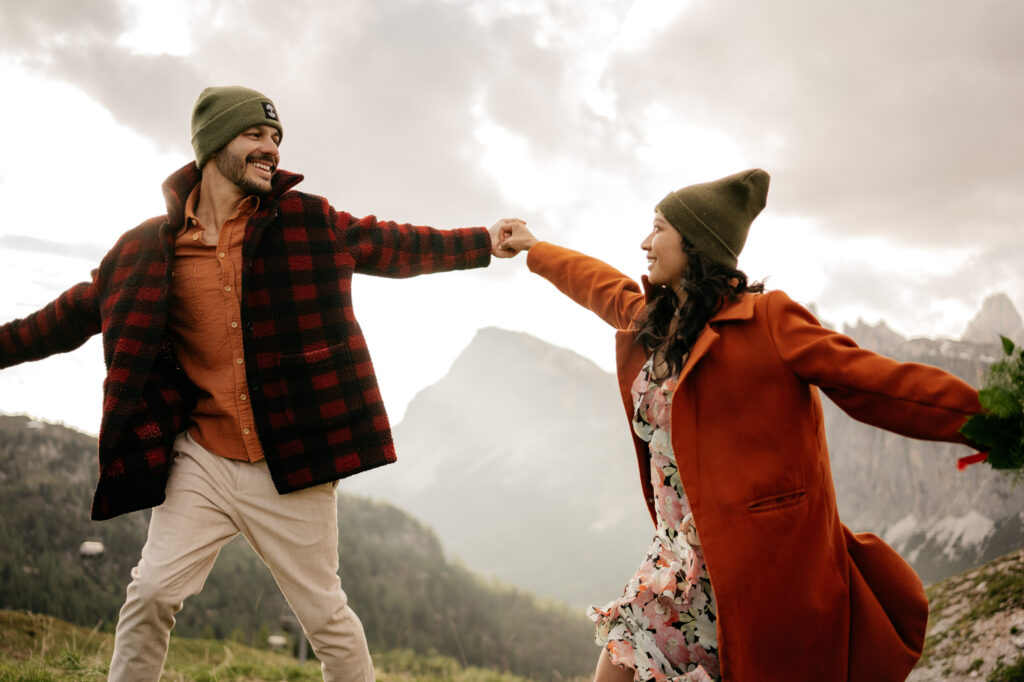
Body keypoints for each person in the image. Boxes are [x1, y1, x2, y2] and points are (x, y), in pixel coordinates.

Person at [0, 85, 523, 682]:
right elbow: (65, 317)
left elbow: (392, 243)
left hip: (291, 465)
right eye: (255, 134)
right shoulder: (144, 250)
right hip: (202, 459)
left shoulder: (308, 221)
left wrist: (483, 242)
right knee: (150, 594)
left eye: (276, 138)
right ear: (213, 145)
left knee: (327, 620)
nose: (271, 148)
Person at [497, 169, 983, 682]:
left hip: (745, 577)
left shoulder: (768, 321)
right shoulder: (655, 322)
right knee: (619, 655)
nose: (644, 243)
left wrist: (990, 421)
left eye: (658, 228)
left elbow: (875, 382)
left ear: (695, 243)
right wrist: (534, 247)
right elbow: (597, 283)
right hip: (673, 565)